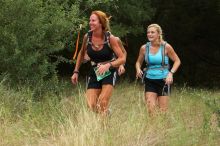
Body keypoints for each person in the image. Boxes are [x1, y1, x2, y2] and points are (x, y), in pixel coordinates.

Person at [71, 10, 126, 116]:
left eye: (93, 20)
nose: (90, 23)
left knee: (102, 102)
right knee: (90, 105)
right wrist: (76, 71)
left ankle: (104, 129)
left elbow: (122, 58)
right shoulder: (87, 37)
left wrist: (108, 65)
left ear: (101, 23)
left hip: (109, 71)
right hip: (95, 71)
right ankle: (106, 114)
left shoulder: (111, 38)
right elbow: (81, 54)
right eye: (90, 20)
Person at [135, 24, 181, 115]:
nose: (150, 34)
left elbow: (177, 61)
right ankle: (152, 129)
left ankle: (162, 128)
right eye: (148, 32)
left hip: (164, 80)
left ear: (158, 34)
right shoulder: (144, 48)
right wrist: (138, 69)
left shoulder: (166, 47)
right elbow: (138, 62)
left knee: (163, 111)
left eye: (152, 32)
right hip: (150, 80)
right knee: (150, 110)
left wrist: (170, 73)